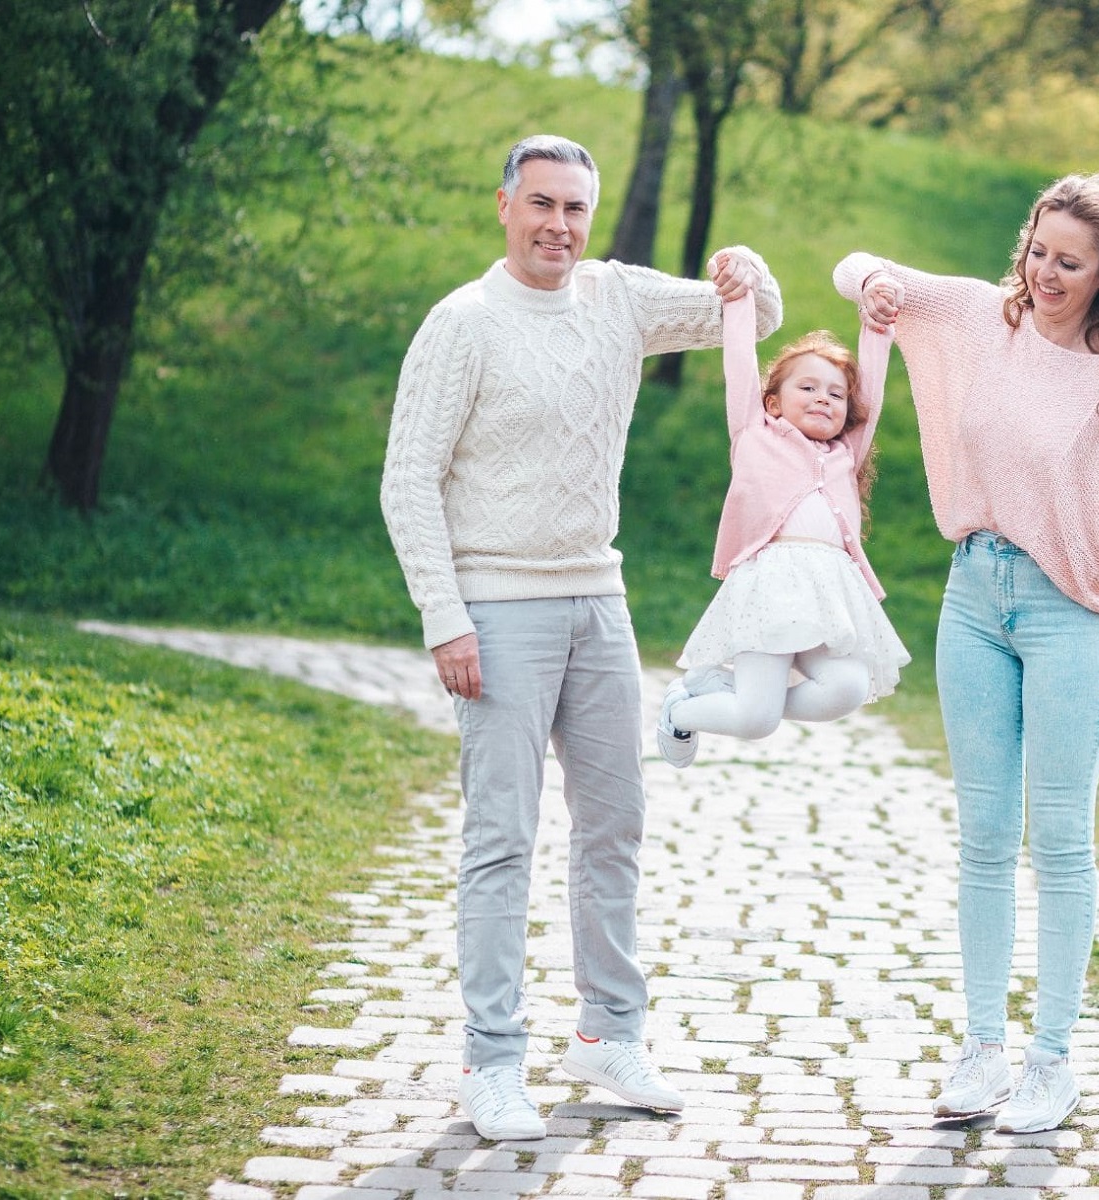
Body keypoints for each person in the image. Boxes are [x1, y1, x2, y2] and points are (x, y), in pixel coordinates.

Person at [380, 134, 782, 1141]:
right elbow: (407, 480)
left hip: (597, 599)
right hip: (496, 609)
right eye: (542, 205)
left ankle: (608, 1034)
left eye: (575, 211)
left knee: (615, 823)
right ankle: (493, 1060)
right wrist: (446, 617)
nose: (558, 226)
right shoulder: (461, 324)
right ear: (505, 206)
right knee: (500, 838)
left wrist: (746, 269)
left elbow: (753, 315)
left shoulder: (614, 297)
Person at [834, 172, 1099, 1134]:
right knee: (985, 837)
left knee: (1062, 839)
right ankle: (982, 1051)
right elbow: (859, 271)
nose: (1045, 272)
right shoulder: (977, 318)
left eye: (1068, 262)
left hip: (1073, 614)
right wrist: (870, 281)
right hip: (973, 597)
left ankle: (1052, 1061)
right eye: (1038, 250)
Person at [654, 290, 909, 766]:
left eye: (835, 394)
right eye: (808, 388)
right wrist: (739, 298)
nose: (823, 398)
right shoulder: (754, 434)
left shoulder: (845, 455)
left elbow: (869, 392)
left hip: (828, 593)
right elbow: (739, 362)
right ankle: (683, 711)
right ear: (772, 403)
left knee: (848, 687)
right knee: (756, 720)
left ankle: (726, 687)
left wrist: (878, 329)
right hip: (770, 590)